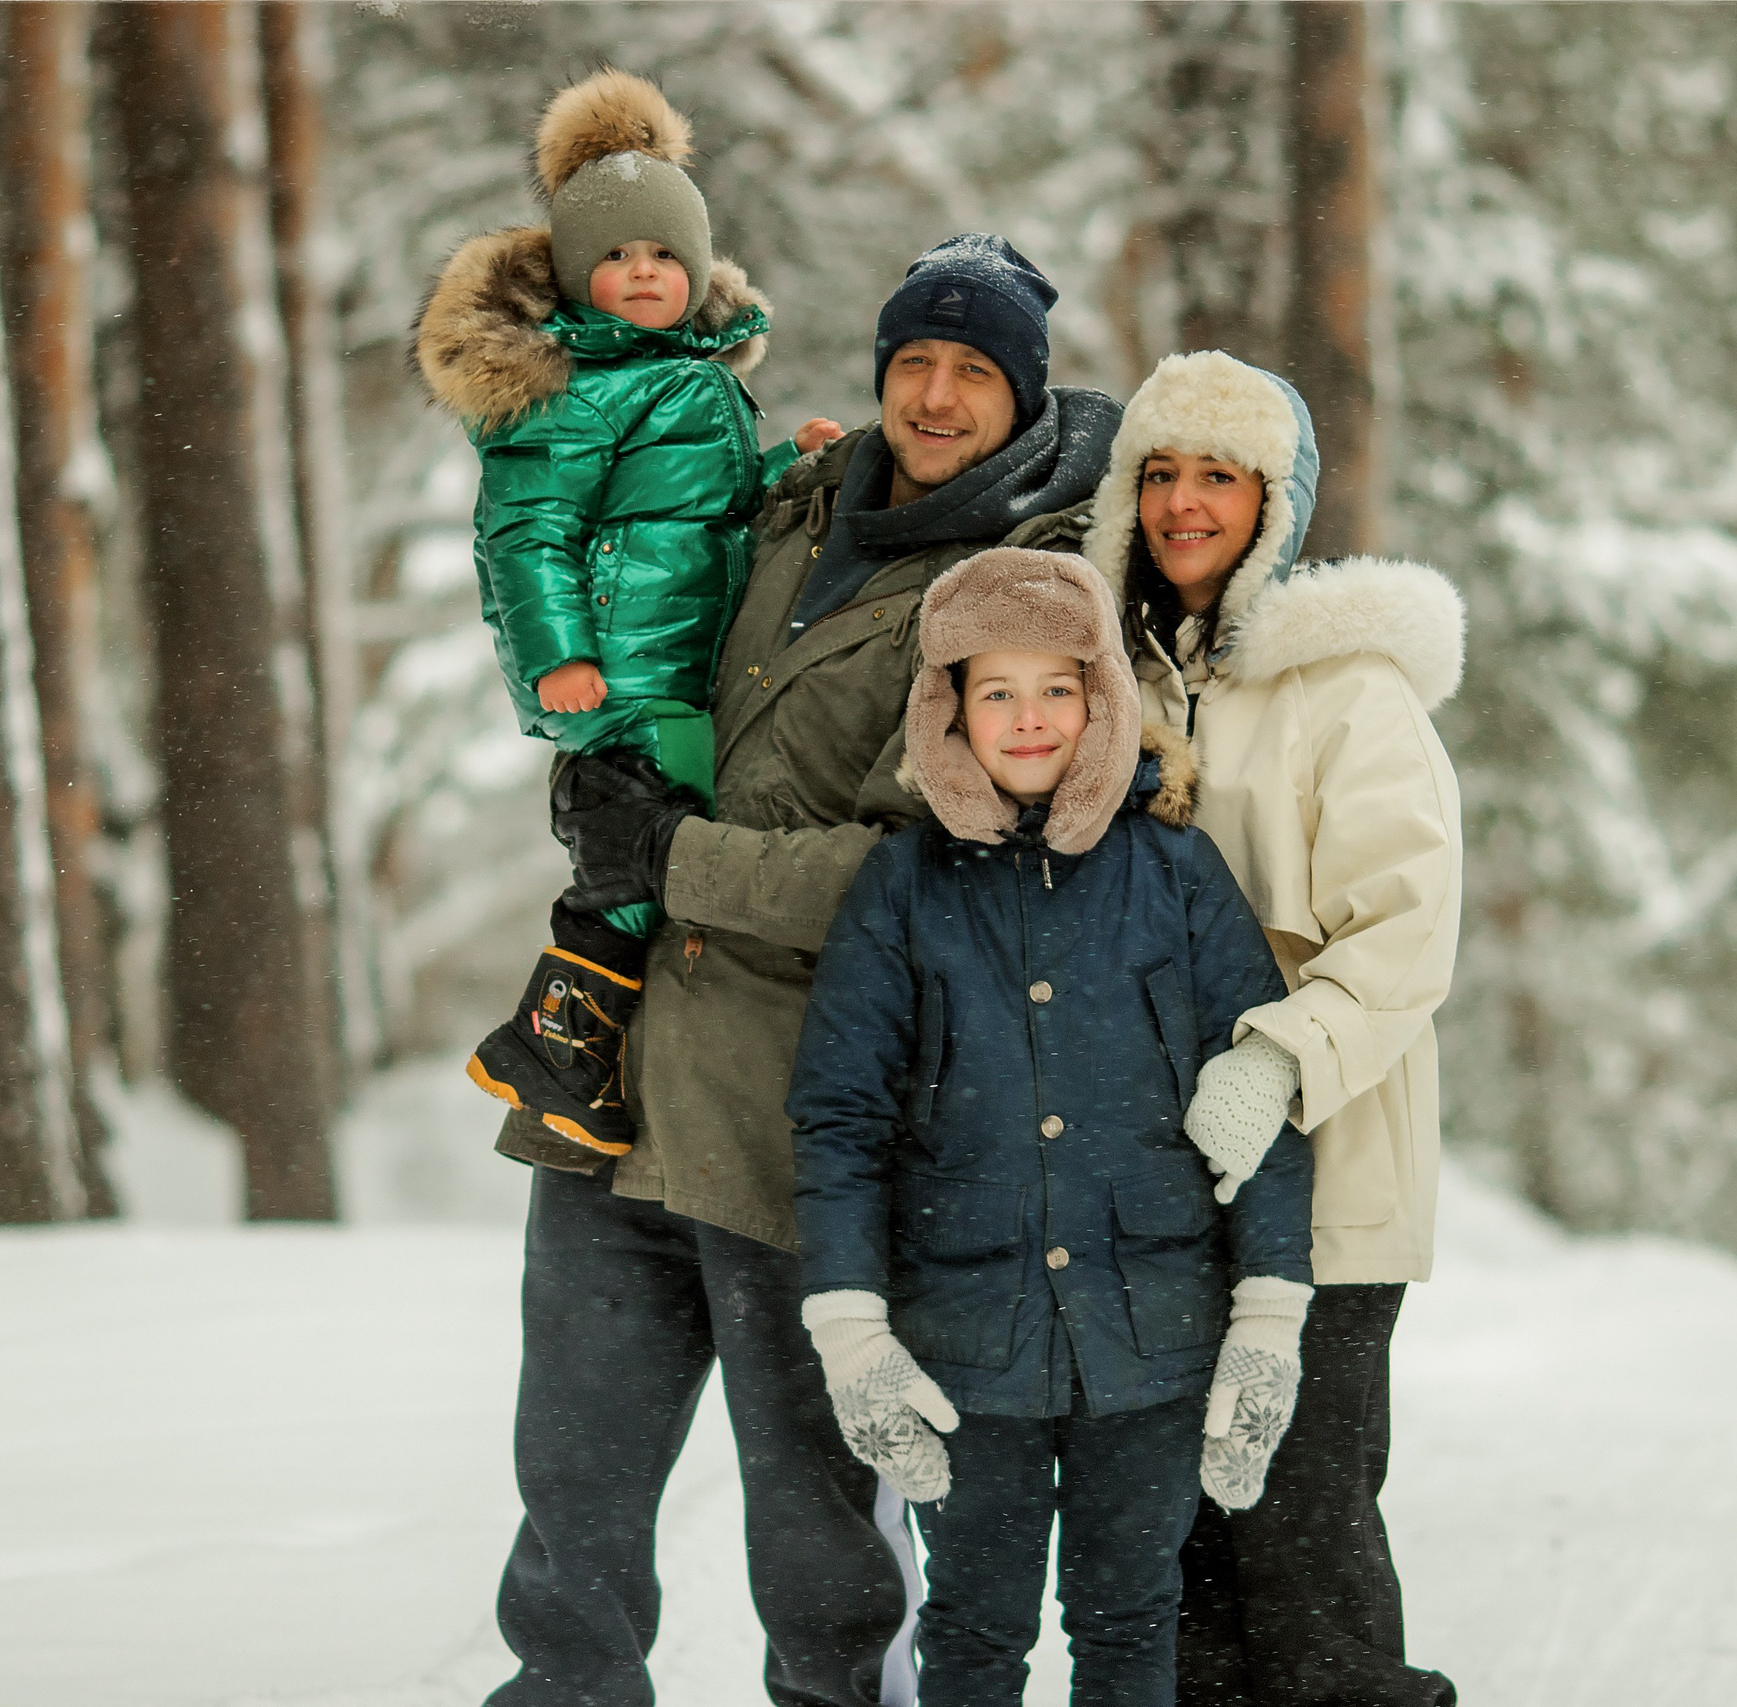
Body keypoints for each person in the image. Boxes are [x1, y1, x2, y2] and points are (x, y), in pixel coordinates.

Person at [480, 236, 1123, 1706]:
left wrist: (676, 858)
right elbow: (638, 604)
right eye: (914, 361)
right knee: (568, 1512)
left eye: (974, 370)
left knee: (824, 1551)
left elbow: (922, 874)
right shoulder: (797, 500)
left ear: (1022, 395)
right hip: (615, 1086)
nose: (937, 394)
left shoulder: (1021, 600)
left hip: (808, 1124)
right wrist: (602, 778)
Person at [784, 547, 1318, 1707]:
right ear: (949, 712)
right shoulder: (900, 888)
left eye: (1056, 689)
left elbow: (1258, 1096)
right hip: (964, 1343)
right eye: (995, 692)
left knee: (1130, 1626)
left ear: (1103, 701)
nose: (1028, 720)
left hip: (1156, 1343)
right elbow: (838, 1119)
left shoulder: (1176, 874)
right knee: (973, 1635)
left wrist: (1268, 1316)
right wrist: (852, 1336)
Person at [1080, 350, 1467, 1707]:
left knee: (1305, 1558)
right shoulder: (1101, 676)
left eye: (1221, 476)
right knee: (1177, 1572)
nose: (1187, 502)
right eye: (1162, 471)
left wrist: (1278, 1056)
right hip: (1153, 1195)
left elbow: (1406, 929)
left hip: (1328, 1186)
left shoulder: (1346, 690)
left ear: (1275, 500)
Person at [414, 68, 843, 1161]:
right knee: (651, 854)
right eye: (613, 257)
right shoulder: (573, 391)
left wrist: (793, 466)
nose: (640, 272)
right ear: (574, 278)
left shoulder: (690, 376)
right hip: (623, 670)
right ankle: (554, 1045)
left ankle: (578, 1045)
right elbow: (522, 535)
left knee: (666, 853)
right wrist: (558, 655)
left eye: (660, 254)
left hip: (687, 660)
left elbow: (721, 515)